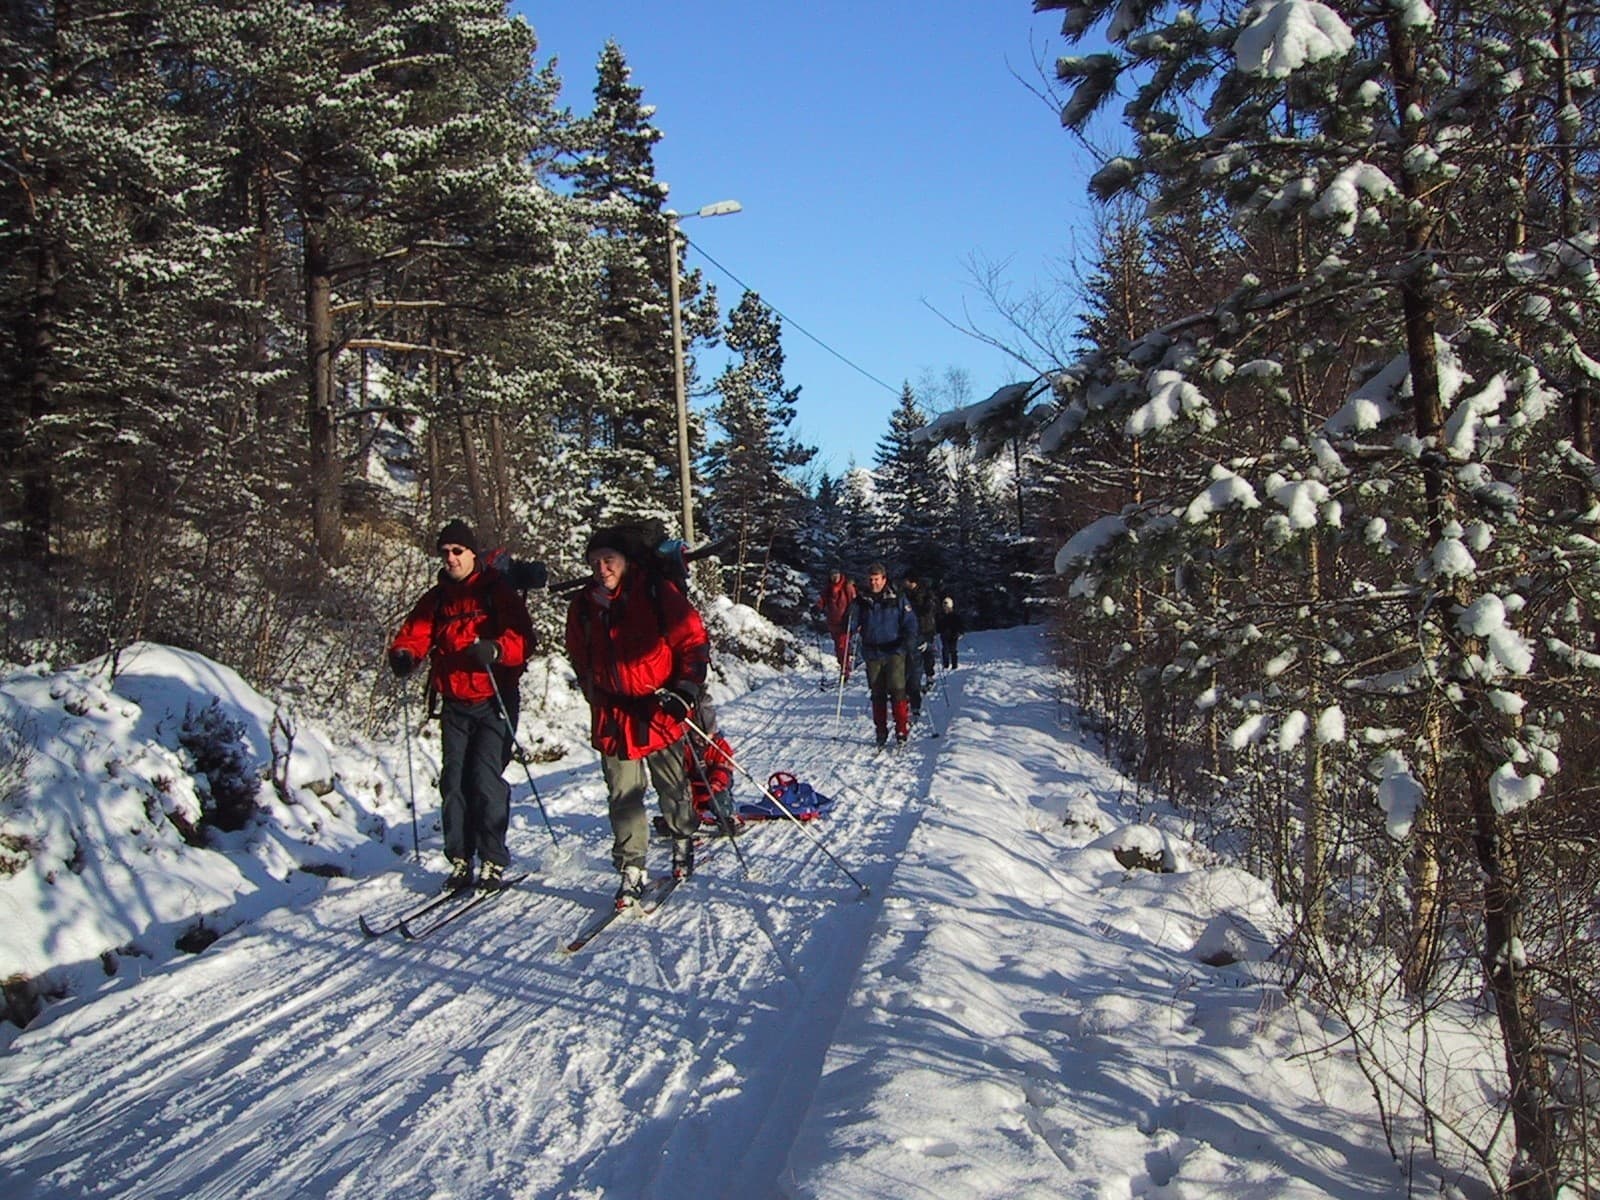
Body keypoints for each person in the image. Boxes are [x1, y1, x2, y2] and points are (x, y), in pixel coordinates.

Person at [565, 525, 712, 909]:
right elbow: (579, 656)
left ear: (626, 561)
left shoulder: (654, 592)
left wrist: (686, 690)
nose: (602, 568)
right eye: (594, 562)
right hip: (613, 714)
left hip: (658, 707)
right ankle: (632, 869)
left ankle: (682, 840)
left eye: (608, 559)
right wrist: (593, 693)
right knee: (623, 795)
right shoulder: (583, 605)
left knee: (671, 784)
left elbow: (693, 640)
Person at [388, 519, 535, 893]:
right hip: (454, 703)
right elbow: (414, 633)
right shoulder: (435, 598)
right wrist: (405, 654)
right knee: (453, 783)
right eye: (445, 552)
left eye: (458, 551)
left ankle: (492, 859)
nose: (451, 559)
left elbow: (523, 638)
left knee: (485, 781)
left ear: (472, 553)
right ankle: (459, 858)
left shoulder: (496, 592)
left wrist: (498, 649)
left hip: (493, 700)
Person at [847, 563, 918, 747]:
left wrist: (908, 642)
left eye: (876, 579)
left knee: (897, 689)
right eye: (870, 580)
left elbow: (910, 622)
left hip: (894, 650)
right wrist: (849, 622)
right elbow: (852, 624)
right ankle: (881, 731)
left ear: (884, 579)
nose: (873, 583)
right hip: (872, 651)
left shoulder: (897, 597)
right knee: (877, 693)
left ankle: (901, 729)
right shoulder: (862, 600)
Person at [902, 575, 938, 716]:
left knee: (926, 653)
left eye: (907, 581)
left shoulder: (925, 592)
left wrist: (918, 608)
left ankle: (929, 675)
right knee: (912, 660)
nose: (905, 583)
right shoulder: (904, 594)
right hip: (911, 630)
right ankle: (911, 690)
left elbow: (929, 608)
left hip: (925, 627)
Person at [817, 568, 857, 683]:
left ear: (840, 575)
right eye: (832, 575)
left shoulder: (847, 587)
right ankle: (844, 667)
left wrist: (852, 612)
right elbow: (822, 600)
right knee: (838, 648)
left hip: (845, 623)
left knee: (842, 646)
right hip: (833, 623)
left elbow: (854, 601)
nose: (834, 578)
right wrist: (817, 607)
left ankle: (845, 671)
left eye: (836, 575)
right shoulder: (828, 589)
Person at [937, 594, 966, 670]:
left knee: (953, 650)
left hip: (953, 635)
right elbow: (938, 624)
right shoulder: (941, 615)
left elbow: (960, 624)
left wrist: (961, 632)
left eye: (947, 607)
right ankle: (945, 664)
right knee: (945, 649)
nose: (945, 609)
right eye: (944, 607)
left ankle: (954, 665)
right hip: (944, 635)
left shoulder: (955, 615)